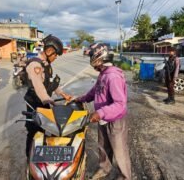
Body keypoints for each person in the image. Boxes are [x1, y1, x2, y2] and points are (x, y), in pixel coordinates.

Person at [75, 43, 131, 180]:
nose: (92, 65)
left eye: (93, 60)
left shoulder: (113, 76)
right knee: (103, 147)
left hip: (115, 121)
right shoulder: (103, 74)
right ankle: (105, 168)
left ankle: (125, 176)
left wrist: (100, 113)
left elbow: (120, 104)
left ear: (100, 58)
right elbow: (95, 91)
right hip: (103, 118)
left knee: (119, 151)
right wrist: (81, 99)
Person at [24, 34, 71, 160]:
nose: (56, 57)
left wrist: (62, 93)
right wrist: (49, 101)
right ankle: (30, 160)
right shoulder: (35, 65)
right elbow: (39, 87)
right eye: (55, 54)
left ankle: (40, 157)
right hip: (34, 104)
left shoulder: (46, 65)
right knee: (34, 133)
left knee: (44, 131)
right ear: (49, 51)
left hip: (43, 103)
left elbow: (50, 84)